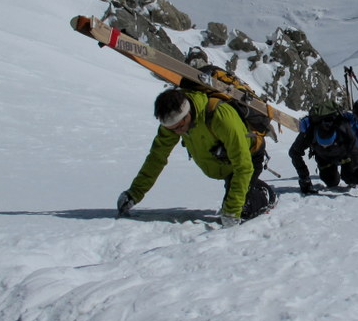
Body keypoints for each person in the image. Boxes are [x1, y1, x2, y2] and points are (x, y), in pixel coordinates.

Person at [116, 88, 274, 227]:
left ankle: (266, 194)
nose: (176, 132)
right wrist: (134, 193)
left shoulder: (220, 116)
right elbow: (157, 158)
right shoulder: (174, 123)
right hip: (225, 164)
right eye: (171, 129)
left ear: (187, 114)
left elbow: (243, 165)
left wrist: (232, 212)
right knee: (234, 198)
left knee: (241, 209)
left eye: (179, 127)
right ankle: (247, 187)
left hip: (250, 158)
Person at [289, 101, 358, 196]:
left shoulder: (344, 128)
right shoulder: (309, 132)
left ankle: (351, 176)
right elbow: (294, 152)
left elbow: (356, 152)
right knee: (331, 182)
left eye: (328, 145)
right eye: (322, 145)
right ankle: (332, 174)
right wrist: (304, 178)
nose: (325, 147)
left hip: (344, 156)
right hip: (323, 158)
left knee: (351, 178)